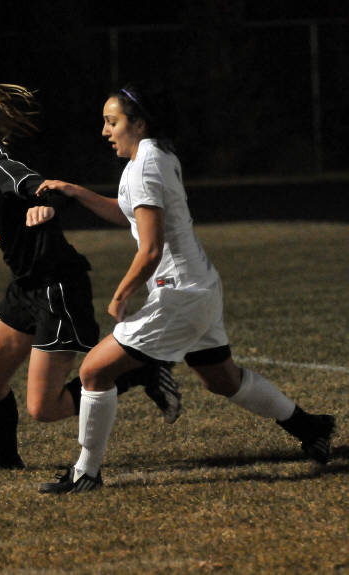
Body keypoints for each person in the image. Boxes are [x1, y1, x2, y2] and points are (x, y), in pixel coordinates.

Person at [34, 82, 336, 493]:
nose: (105, 131)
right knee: (222, 379)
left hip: (179, 294)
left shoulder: (146, 165)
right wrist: (75, 191)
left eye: (112, 122)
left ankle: (85, 472)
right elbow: (130, 215)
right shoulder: (153, 156)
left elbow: (151, 248)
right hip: (198, 287)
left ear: (139, 124)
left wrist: (121, 294)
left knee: (94, 370)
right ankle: (310, 426)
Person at [0, 67, 181, 477]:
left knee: (44, 408)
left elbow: (36, 184)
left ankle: (141, 371)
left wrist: (44, 203)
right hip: (25, 286)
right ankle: (4, 458)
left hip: (55, 287)